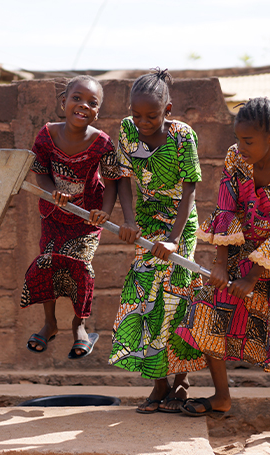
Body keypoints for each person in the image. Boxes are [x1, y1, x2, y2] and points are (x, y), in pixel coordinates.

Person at [174, 97, 270, 448]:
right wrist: (222, 265)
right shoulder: (235, 158)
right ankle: (221, 396)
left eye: (248, 141)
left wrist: (252, 278)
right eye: (238, 139)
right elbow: (226, 210)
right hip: (236, 249)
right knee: (208, 311)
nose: (241, 146)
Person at [103, 69, 206, 413]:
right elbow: (121, 179)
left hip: (180, 222)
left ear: (168, 110)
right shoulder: (128, 131)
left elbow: (190, 189)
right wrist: (130, 222)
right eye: (137, 114)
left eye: (152, 115)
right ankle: (158, 383)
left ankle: (181, 382)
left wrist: (175, 240)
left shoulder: (182, 137)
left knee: (177, 298)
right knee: (144, 296)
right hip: (147, 220)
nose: (143, 122)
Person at [21, 75, 117, 359]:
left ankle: (80, 325)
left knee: (81, 268)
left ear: (98, 112)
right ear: (64, 102)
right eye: (77, 98)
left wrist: (105, 213)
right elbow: (39, 169)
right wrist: (52, 193)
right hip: (53, 214)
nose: (83, 105)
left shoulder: (102, 143)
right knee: (47, 264)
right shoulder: (47, 135)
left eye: (92, 103)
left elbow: (112, 182)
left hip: (87, 219)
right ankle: (50, 323)